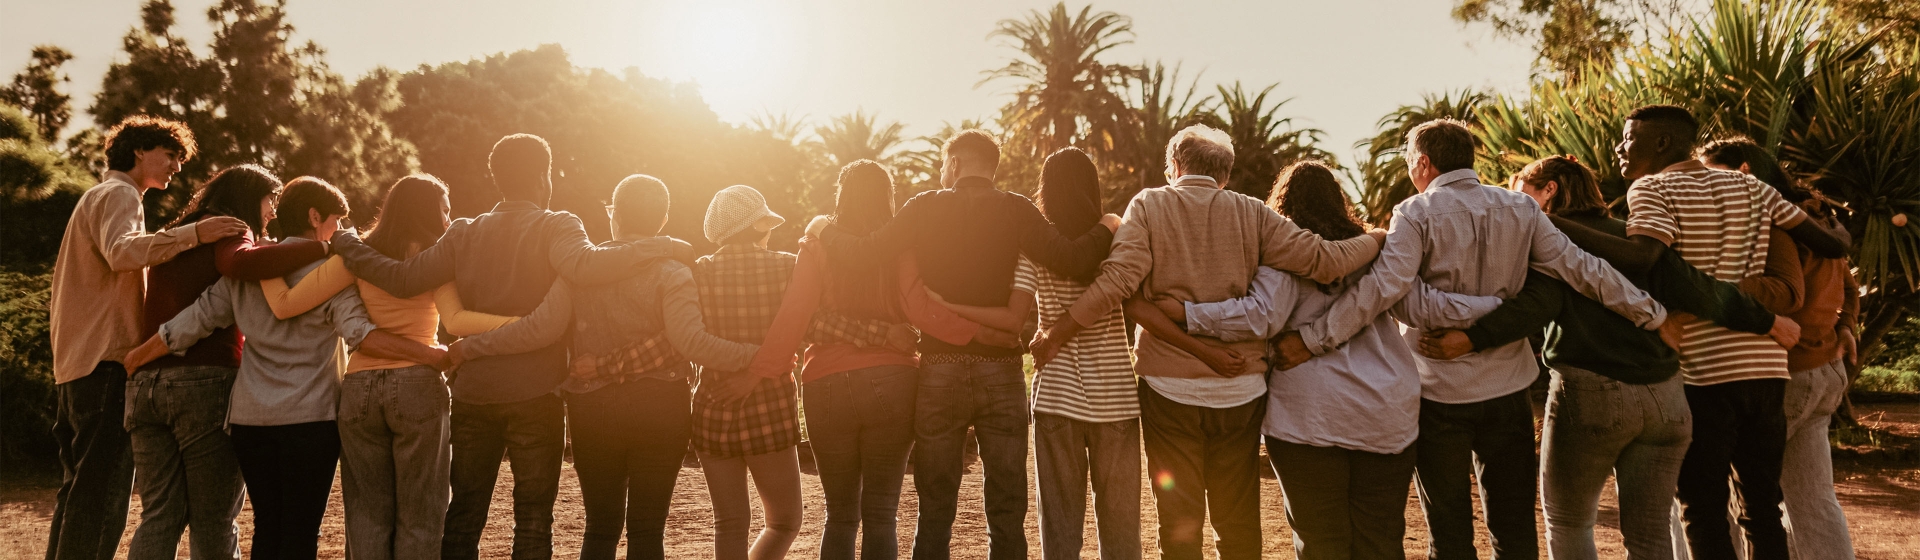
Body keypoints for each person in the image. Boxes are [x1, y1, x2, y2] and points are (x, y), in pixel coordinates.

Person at [1273, 120, 1668, 560]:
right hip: (1508, 388)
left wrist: (1313, 340)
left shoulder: (1415, 213)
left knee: (1449, 525)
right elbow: (1580, 268)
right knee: (1515, 522)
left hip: (1438, 393)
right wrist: (1650, 313)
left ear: (1423, 162)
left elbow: (1387, 290)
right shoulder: (1521, 208)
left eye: (1409, 163)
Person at [326, 134, 692, 559]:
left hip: (475, 394)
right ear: (544, 178)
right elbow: (586, 266)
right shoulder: (558, 224)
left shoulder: (463, 232)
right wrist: (663, 245)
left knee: (463, 515)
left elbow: (404, 279)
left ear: (496, 178)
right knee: (533, 519)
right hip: (535, 393)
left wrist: (349, 243)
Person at [1415, 155, 1796, 560]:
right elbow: (1699, 287)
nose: (1515, 204)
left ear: (1550, 192)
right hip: (1665, 399)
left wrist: (1473, 337)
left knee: (1570, 522)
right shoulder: (1634, 242)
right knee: (1650, 536)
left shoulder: (1549, 245)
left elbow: (1536, 304)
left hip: (1592, 394)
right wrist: (1767, 321)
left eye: (1522, 193)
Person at [1031, 126, 1386, 560]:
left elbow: (1119, 282)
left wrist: (1058, 331)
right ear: (1225, 174)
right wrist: (1377, 239)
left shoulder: (1149, 205)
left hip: (1168, 390)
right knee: (1236, 522)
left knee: (1179, 523)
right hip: (1240, 392)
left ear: (1174, 166)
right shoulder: (1253, 213)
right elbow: (1324, 261)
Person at [1129, 160, 1482, 560]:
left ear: (1283, 202)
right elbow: (1416, 308)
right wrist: (1491, 311)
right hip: (1386, 413)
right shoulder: (1375, 251)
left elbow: (1261, 315)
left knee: (1320, 541)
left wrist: (1188, 312)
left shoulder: (1286, 253)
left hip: (1309, 415)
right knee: (1381, 539)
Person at [1548, 105, 1846, 560]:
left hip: (1702, 374)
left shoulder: (1651, 188)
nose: (1619, 149)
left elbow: (1645, 258)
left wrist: (1547, 223)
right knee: (1763, 509)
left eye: (1628, 140)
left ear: (1662, 144)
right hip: (1766, 371)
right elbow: (1831, 244)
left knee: (1703, 510)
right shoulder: (1751, 185)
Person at [813, 130, 1121, 560]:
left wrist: (823, 229)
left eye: (943, 165)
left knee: (935, 505)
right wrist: (1109, 223)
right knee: (1007, 502)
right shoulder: (1017, 208)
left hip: (941, 367)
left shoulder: (923, 206)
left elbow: (866, 252)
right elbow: (1071, 259)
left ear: (955, 163)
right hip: (1002, 372)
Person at [124, 177, 448, 559]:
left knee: (267, 527)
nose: (340, 233)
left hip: (250, 420)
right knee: (299, 531)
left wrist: (137, 357)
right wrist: (433, 355)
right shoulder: (331, 273)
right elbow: (360, 332)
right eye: (335, 223)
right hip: (310, 420)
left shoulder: (250, 271)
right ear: (315, 218)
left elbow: (195, 321)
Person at [750, 160, 1009, 560]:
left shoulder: (816, 246)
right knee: (881, 513)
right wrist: (980, 333)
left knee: (839, 515)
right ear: (887, 197)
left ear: (842, 195)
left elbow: (794, 317)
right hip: (893, 380)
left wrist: (759, 373)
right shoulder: (900, 249)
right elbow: (919, 309)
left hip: (826, 385)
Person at [252, 174, 497, 559]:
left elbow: (285, 304)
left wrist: (260, 257)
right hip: (418, 383)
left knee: (366, 514)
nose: (448, 219)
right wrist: (518, 323)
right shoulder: (436, 258)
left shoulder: (355, 255)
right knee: (421, 514)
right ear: (428, 211)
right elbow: (458, 320)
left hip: (360, 388)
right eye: (444, 209)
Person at [45, 115, 247, 560]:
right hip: (106, 365)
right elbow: (123, 252)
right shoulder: (119, 193)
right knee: (101, 499)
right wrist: (194, 233)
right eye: (171, 154)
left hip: (75, 367)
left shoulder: (94, 197)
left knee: (77, 495)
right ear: (139, 150)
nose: (177, 166)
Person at [124, 164, 327, 560]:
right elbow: (237, 271)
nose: (272, 212)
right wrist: (328, 248)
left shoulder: (182, 234)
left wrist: (142, 355)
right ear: (250, 197)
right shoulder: (232, 229)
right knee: (214, 517)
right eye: (270, 200)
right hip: (202, 383)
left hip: (147, 385)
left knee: (159, 515)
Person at [1699, 138, 1858, 559]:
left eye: (1710, 173)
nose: (1702, 185)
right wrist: (1847, 326)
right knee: (1813, 501)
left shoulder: (1771, 220)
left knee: (1744, 498)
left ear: (1745, 171)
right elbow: (1850, 284)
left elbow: (1790, 293)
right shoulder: (1814, 217)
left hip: (1784, 370)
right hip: (1824, 369)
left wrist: (1698, 277)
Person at [1018, 148, 1143, 560]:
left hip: (1056, 394)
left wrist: (1041, 332)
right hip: (1116, 397)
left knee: (1059, 527)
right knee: (1122, 528)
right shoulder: (1117, 236)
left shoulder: (1034, 244)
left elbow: (1018, 309)